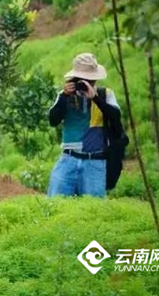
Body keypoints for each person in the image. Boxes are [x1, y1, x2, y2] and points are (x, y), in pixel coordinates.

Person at [47, 53, 121, 198]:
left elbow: (116, 117)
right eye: (82, 80)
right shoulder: (64, 95)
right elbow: (53, 120)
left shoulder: (105, 95)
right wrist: (64, 97)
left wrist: (95, 98)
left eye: (90, 80)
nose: (86, 84)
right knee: (55, 204)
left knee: (94, 209)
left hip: (95, 160)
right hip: (68, 158)